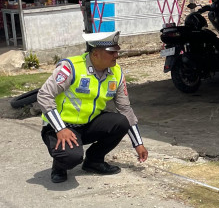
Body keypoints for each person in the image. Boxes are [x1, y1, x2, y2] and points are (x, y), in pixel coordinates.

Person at [37, 30, 148, 184]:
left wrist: (138, 143)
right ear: (95, 53)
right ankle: (59, 166)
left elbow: (125, 109)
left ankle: (94, 161)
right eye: (111, 52)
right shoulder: (71, 67)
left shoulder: (116, 73)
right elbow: (44, 95)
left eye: (117, 51)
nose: (116, 55)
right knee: (72, 157)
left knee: (121, 122)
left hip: (87, 125)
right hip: (60, 128)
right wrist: (60, 129)